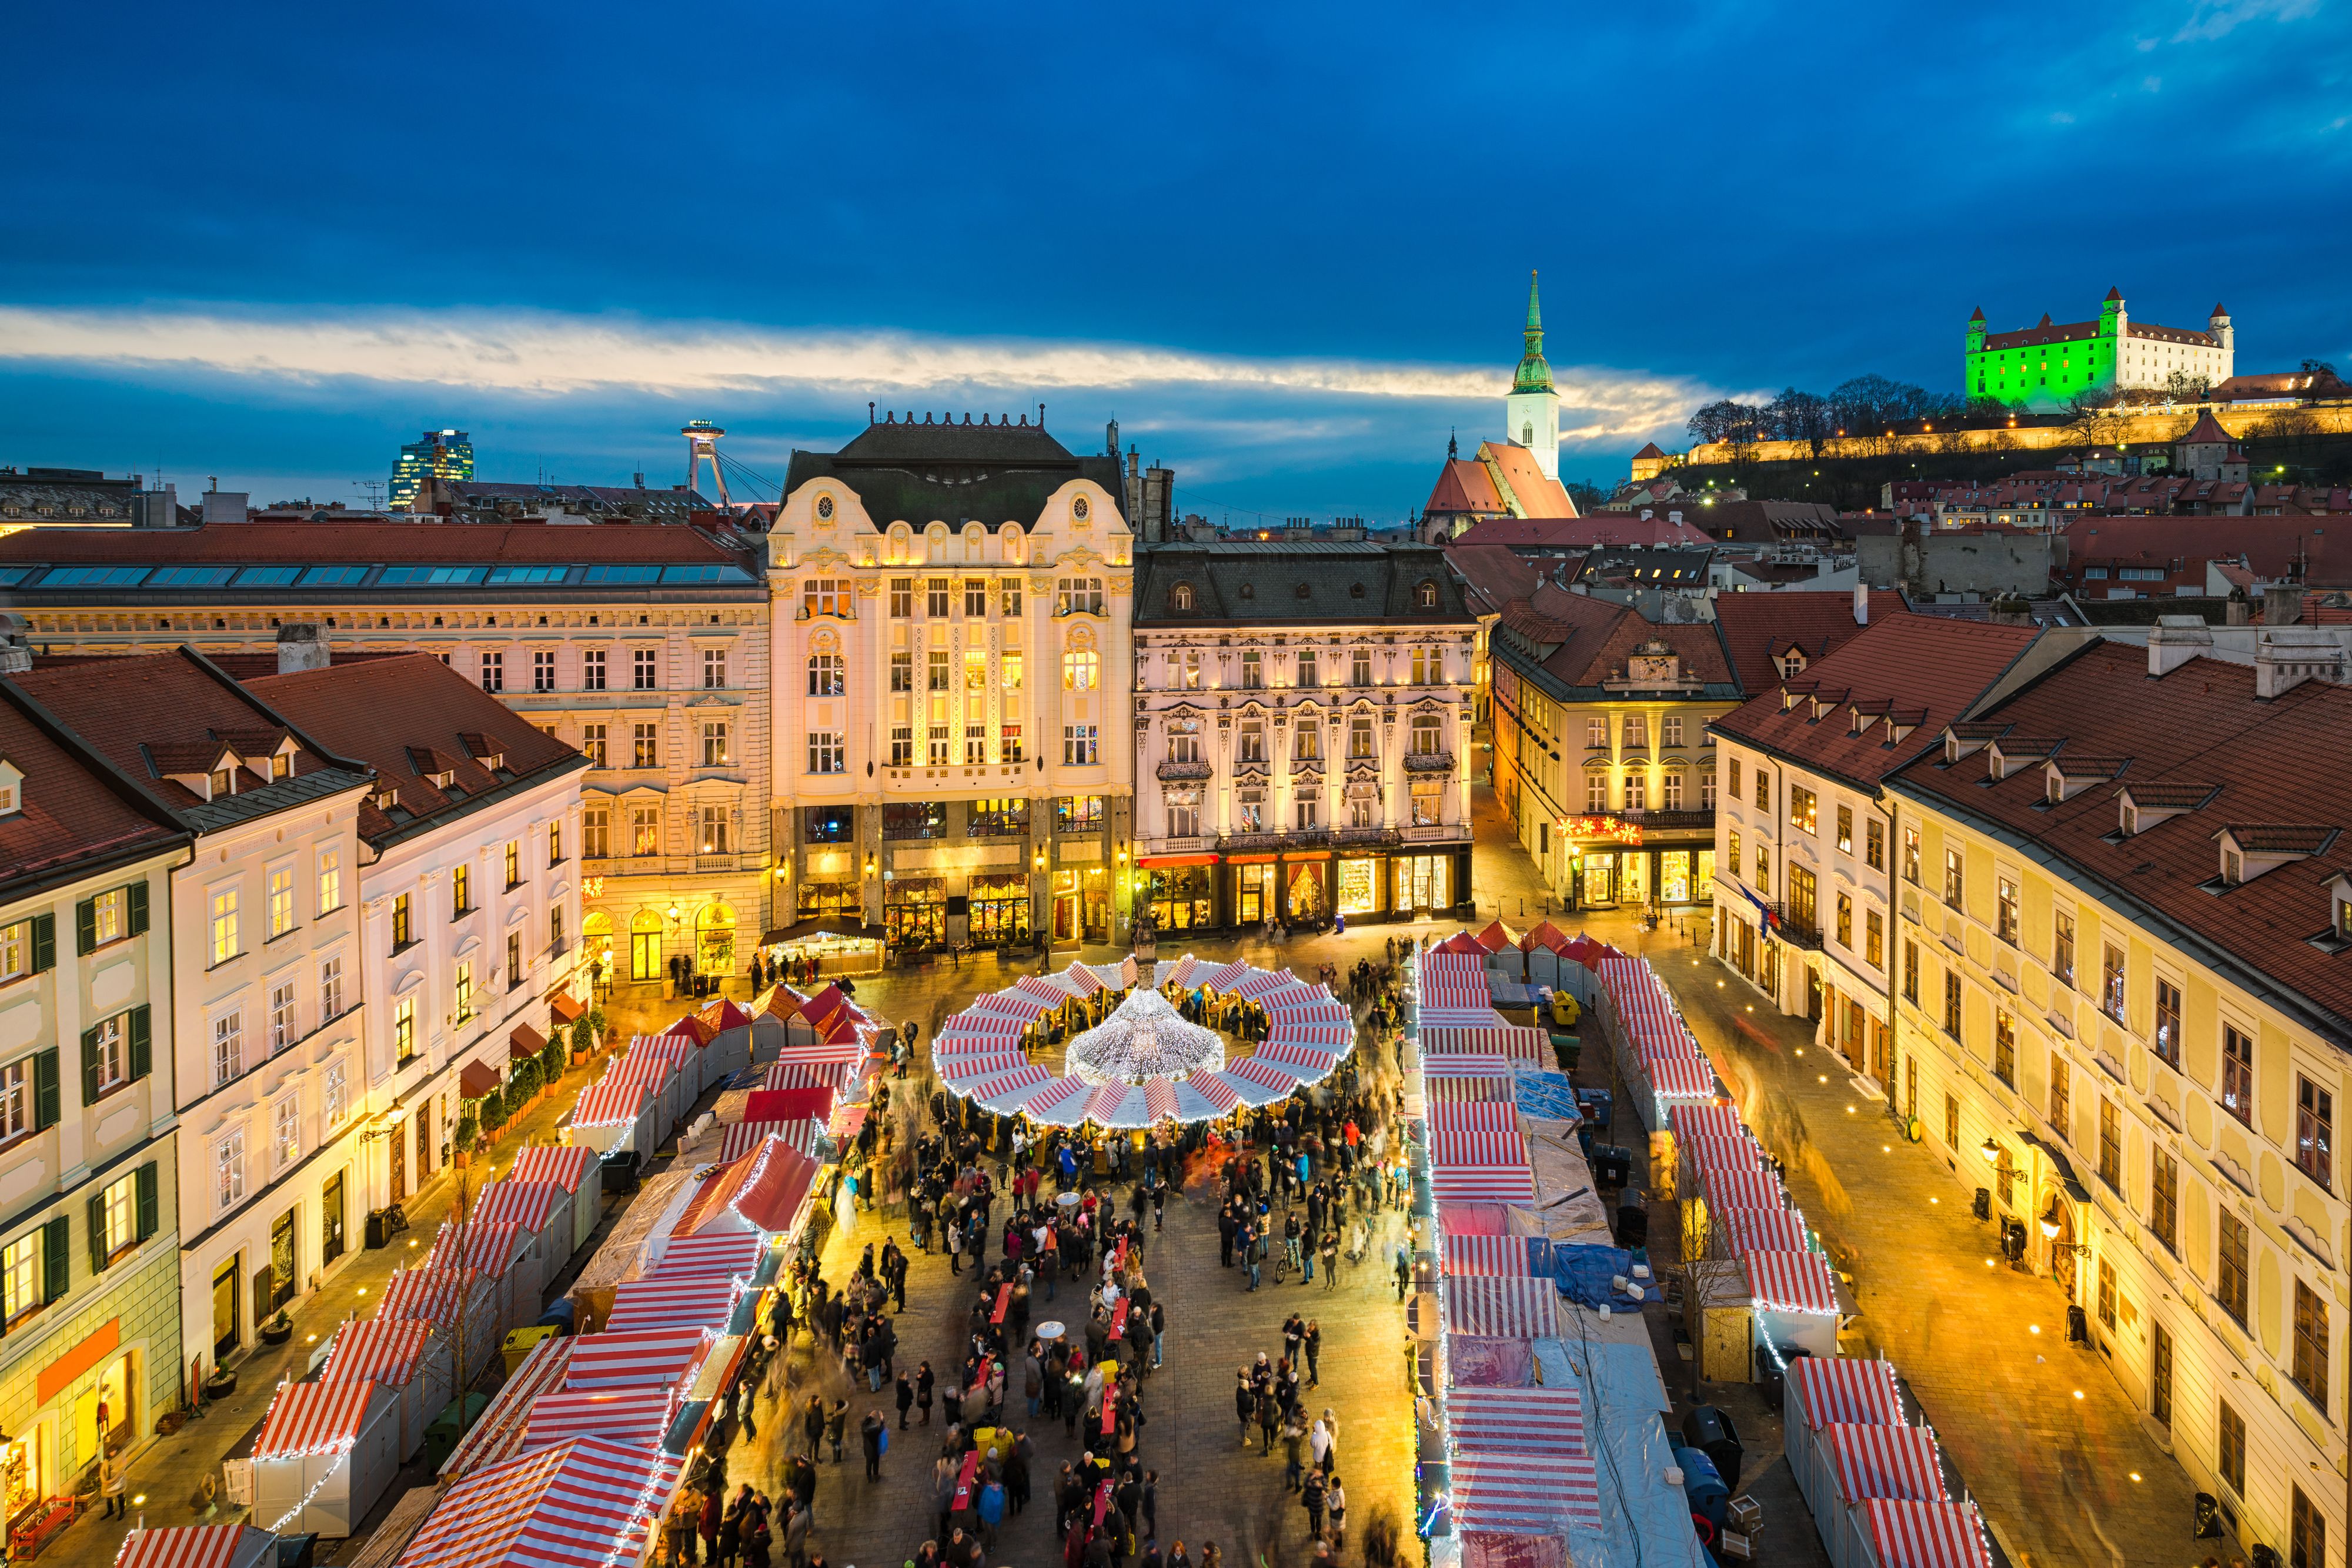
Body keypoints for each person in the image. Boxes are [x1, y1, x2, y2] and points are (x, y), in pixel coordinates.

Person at [861, 1407, 886, 1479]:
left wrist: (869, 1416)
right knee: (876, 1463)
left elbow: (864, 1423)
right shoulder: (876, 1430)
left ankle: (869, 1477)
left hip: (868, 1449)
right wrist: (882, 1419)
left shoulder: (864, 1430)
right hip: (875, 1450)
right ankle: (876, 1476)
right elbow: (881, 1429)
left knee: (868, 1463)